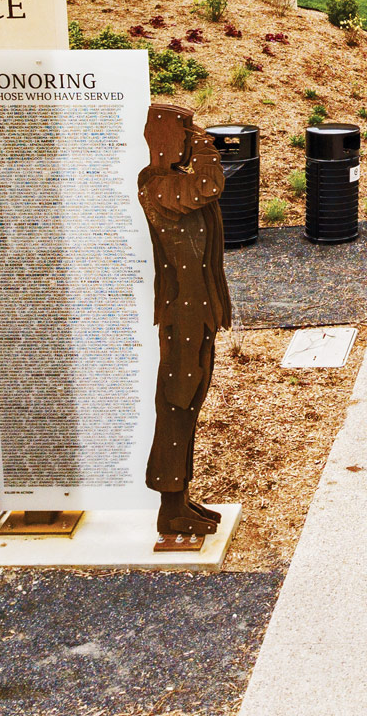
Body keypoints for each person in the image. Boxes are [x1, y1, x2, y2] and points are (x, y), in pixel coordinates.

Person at [137, 104, 233, 541]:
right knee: (176, 404)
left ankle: (180, 498)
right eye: (184, 131)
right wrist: (206, 147)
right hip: (183, 314)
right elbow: (209, 185)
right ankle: (169, 510)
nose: (192, 137)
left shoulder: (171, 182)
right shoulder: (157, 186)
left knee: (187, 405)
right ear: (166, 139)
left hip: (197, 312)